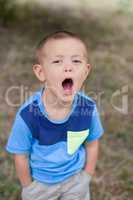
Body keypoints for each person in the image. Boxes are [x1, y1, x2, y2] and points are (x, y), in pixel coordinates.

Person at [6, 31, 104, 200]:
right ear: (41, 72)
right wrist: (28, 187)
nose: (68, 67)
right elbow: (20, 155)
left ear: (86, 71)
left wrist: (86, 176)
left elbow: (92, 144)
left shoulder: (88, 109)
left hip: (75, 180)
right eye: (58, 61)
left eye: (76, 61)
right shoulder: (28, 115)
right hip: (41, 184)